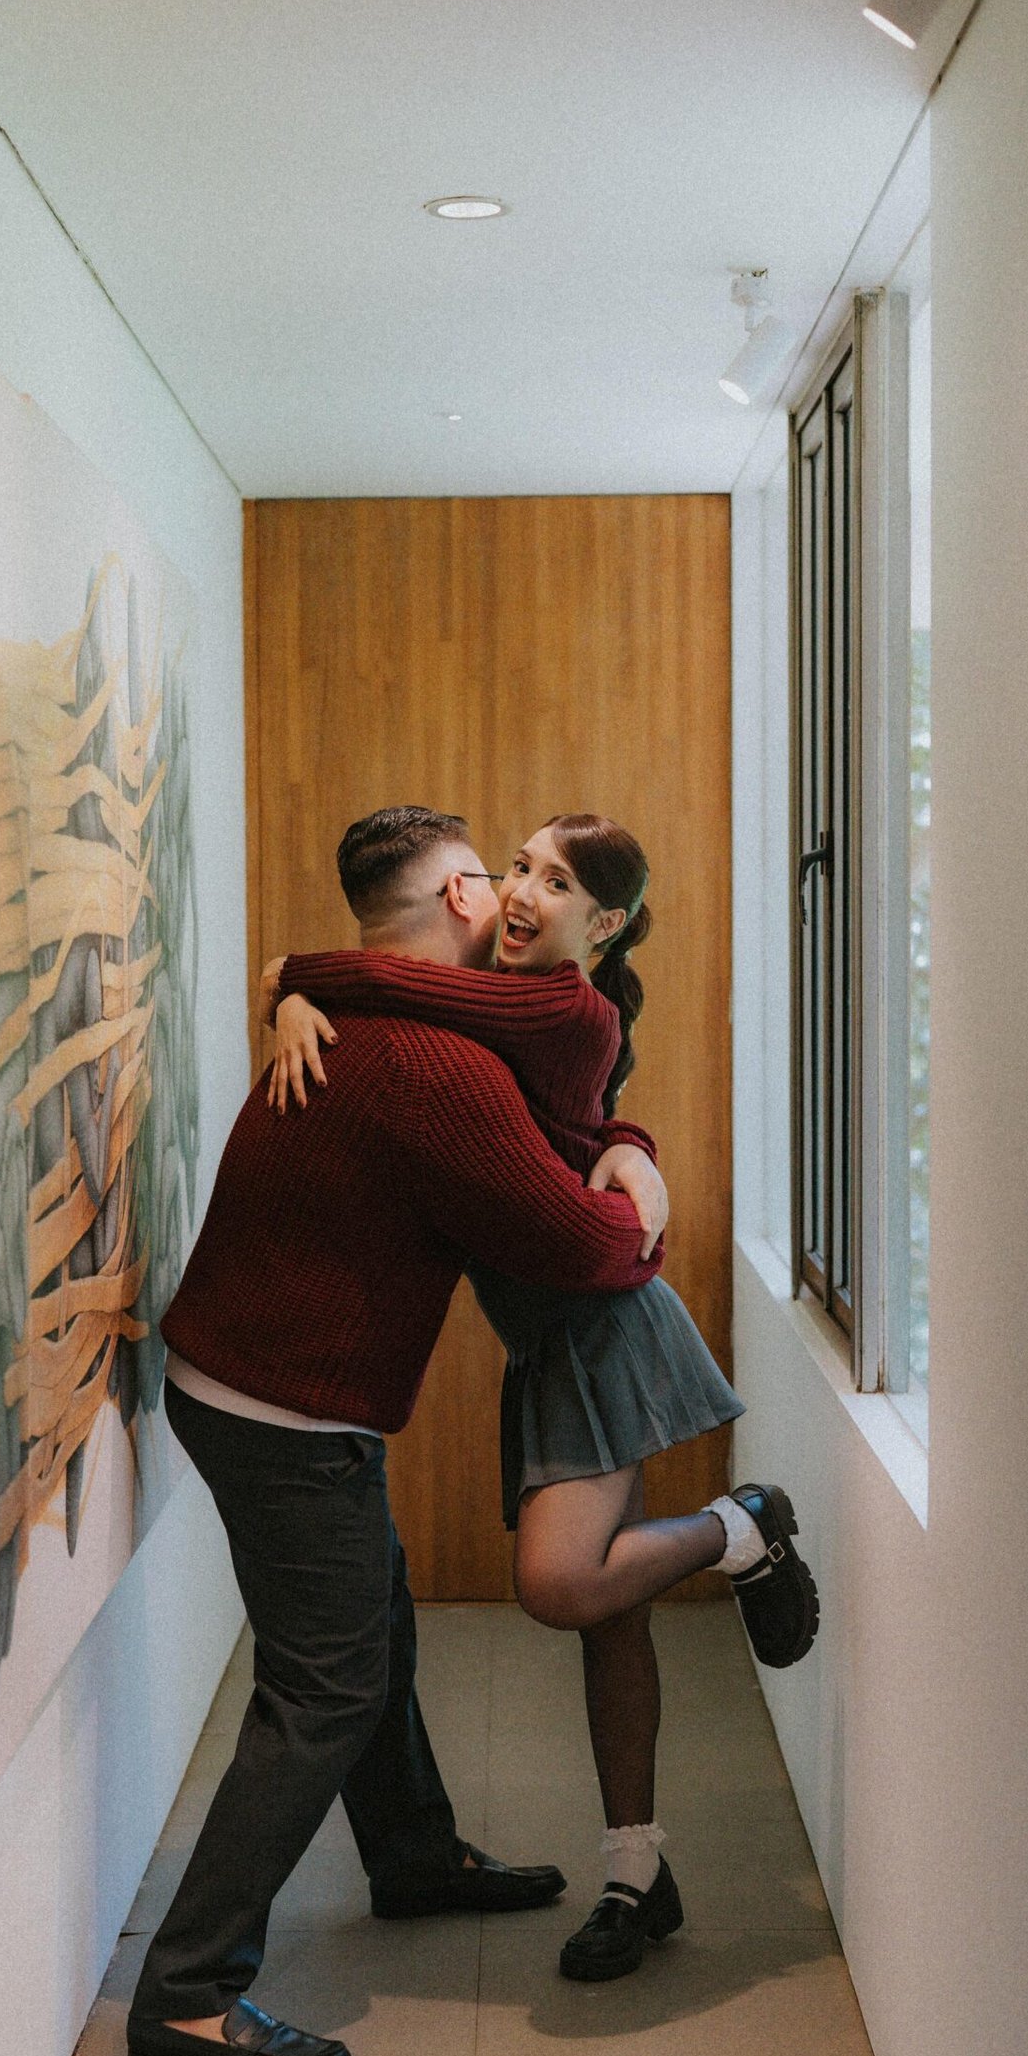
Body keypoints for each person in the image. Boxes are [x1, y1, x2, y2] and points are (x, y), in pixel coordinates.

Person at [126, 807, 675, 2056]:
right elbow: (580, 1246)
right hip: (285, 1410)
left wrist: (624, 1142)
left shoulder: (366, 1019)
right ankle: (188, 1994)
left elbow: (566, 1116)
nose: (509, 895)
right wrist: (641, 1203)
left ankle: (413, 1856)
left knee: (375, 1620)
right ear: (453, 901)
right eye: (491, 876)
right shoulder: (434, 1068)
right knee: (324, 1691)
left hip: (251, 1380)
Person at [261, 813, 820, 1984]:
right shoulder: (513, 1000)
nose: (519, 892)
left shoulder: (564, 1007)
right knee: (611, 1611)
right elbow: (449, 1025)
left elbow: (401, 988)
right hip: (553, 1341)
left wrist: (291, 981)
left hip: (602, 1327)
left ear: (603, 924)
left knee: (561, 1585)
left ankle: (744, 1526)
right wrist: (295, 1005)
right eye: (516, 867)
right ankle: (635, 1876)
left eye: (553, 883)